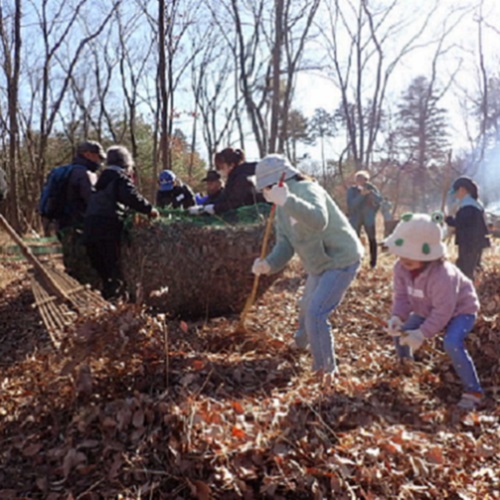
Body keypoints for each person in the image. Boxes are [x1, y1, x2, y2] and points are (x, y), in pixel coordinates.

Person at [251, 154, 364, 383]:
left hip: (340, 259)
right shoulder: (279, 208)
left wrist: (288, 201)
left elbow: (318, 219)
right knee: (305, 306)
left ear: (280, 180)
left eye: (267, 187)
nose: (265, 193)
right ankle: (300, 343)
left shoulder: (306, 189)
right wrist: (269, 264)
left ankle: (325, 370)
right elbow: (285, 243)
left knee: (316, 312)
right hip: (318, 264)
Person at [384, 212, 483, 410]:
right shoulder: (400, 268)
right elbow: (402, 297)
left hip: (460, 311)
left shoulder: (443, 275)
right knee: (401, 332)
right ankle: (406, 366)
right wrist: (397, 316)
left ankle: (473, 390)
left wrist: (421, 334)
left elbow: (443, 311)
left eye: (411, 258)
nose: (404, 261)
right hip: (426, 308)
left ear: (429, 256)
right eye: (401, 255)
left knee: (452, 342)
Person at [84, 145, 159, 300]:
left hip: (90, 226)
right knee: (115, 266)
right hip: (108, 226)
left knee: (103, 270)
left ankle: (107, 299)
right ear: (125, 164)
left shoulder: (101, 179)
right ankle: (118, 302)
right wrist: (149, 209)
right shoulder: (119, 177)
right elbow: (131, 197)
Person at [189, 147, 264, 215]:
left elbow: (234, 203)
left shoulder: (241, 178)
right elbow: (225, 199)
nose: (220, 171)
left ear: (231, 165)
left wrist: (214, 209)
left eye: (222, 167)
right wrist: (204, 208)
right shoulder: (234, 179)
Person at [445, 176, 490, 280]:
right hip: (476, 243)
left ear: (462, 189)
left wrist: (448, 219)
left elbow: (461, 223)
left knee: (466, 270)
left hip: (468, 244)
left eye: (456, 192)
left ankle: (466, 292)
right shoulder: (476, 205)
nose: (455, 195)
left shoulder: (468, 206)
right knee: (471, 267)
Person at [346, 170, 382, 268]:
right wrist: (361, 195)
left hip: (369, 219)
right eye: (359, 179)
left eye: (364, 179)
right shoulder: (352, 190)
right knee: (354, 240)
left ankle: (373, 263)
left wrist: (371, 193)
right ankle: (355, 263)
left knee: (372, 240)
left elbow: (379, 201)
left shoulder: (372, 189)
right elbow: (351, 205)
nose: (361, 181)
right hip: (355, 219)